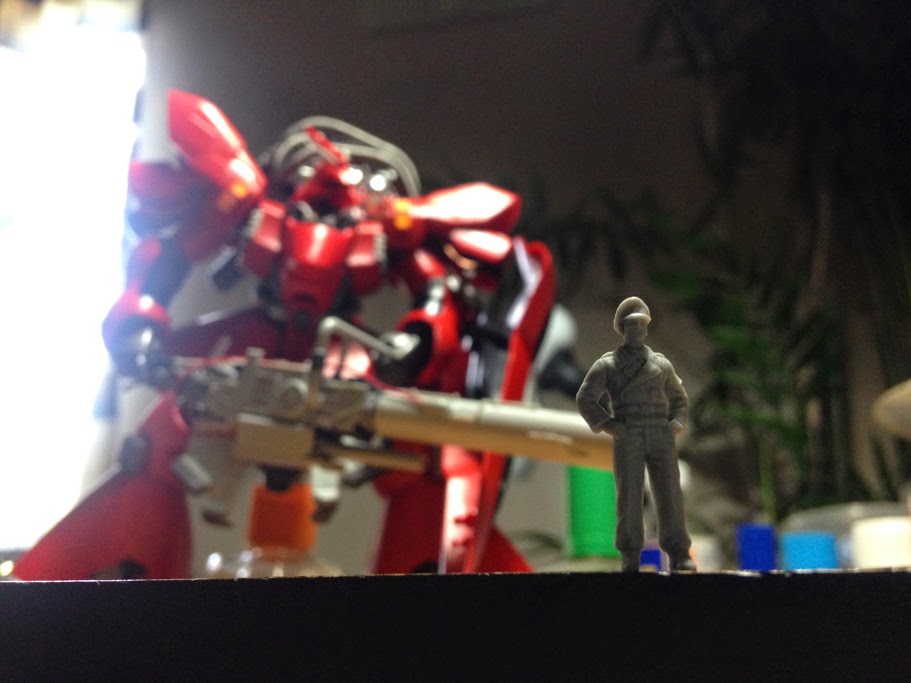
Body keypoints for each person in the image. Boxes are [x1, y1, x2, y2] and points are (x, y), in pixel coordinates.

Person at [576, 297, 696, 572]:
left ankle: (679, 551)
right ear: (622, 328)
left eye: (642, 325)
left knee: (670, 493)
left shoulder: (661, 365)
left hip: (659, 431)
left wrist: (677, 421)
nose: (637, 330)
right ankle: (630, 554)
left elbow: (679, 398)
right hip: (628, 430)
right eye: (631, 325)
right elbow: (585, 398)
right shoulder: (608, 365)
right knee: (629, 496)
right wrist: (608, 423)